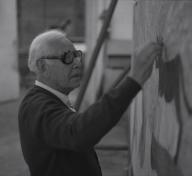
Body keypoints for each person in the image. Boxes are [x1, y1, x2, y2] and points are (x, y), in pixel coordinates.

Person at [18, 30, 161, 176]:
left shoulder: (49, 99)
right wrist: (133, 81)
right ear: (42, 66)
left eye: (76, 55)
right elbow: (79, 132)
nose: (77, 63)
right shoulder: (37, 107)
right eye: (67, 58)